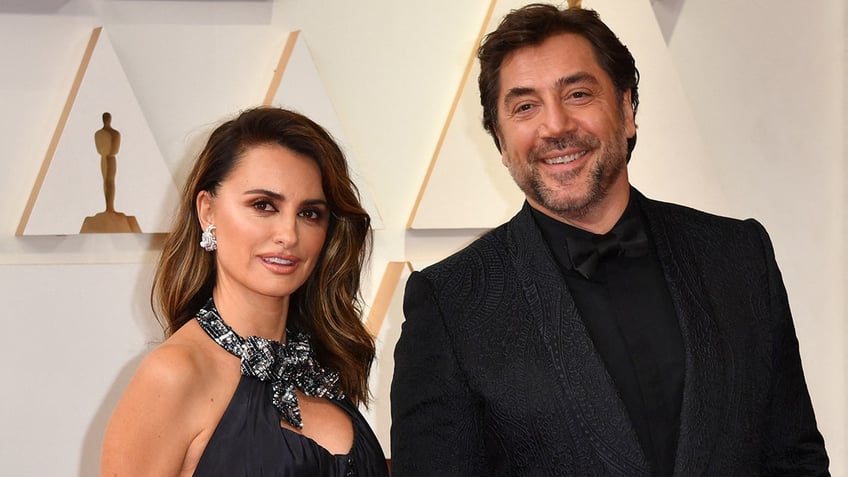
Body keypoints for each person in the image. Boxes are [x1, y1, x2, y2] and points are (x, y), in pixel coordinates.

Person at [390, 3, 829, 476]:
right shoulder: (450, 303)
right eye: (524, 106)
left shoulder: (739, 256)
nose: (555, 126)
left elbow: (794, 458)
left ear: (626, 108)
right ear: (499, 141)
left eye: (578, 94)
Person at [101, 106, 389, 476]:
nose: (289, 234)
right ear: (208, 211)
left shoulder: (320, 364)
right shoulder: (173, 374)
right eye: (263, 205)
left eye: (310, 213)